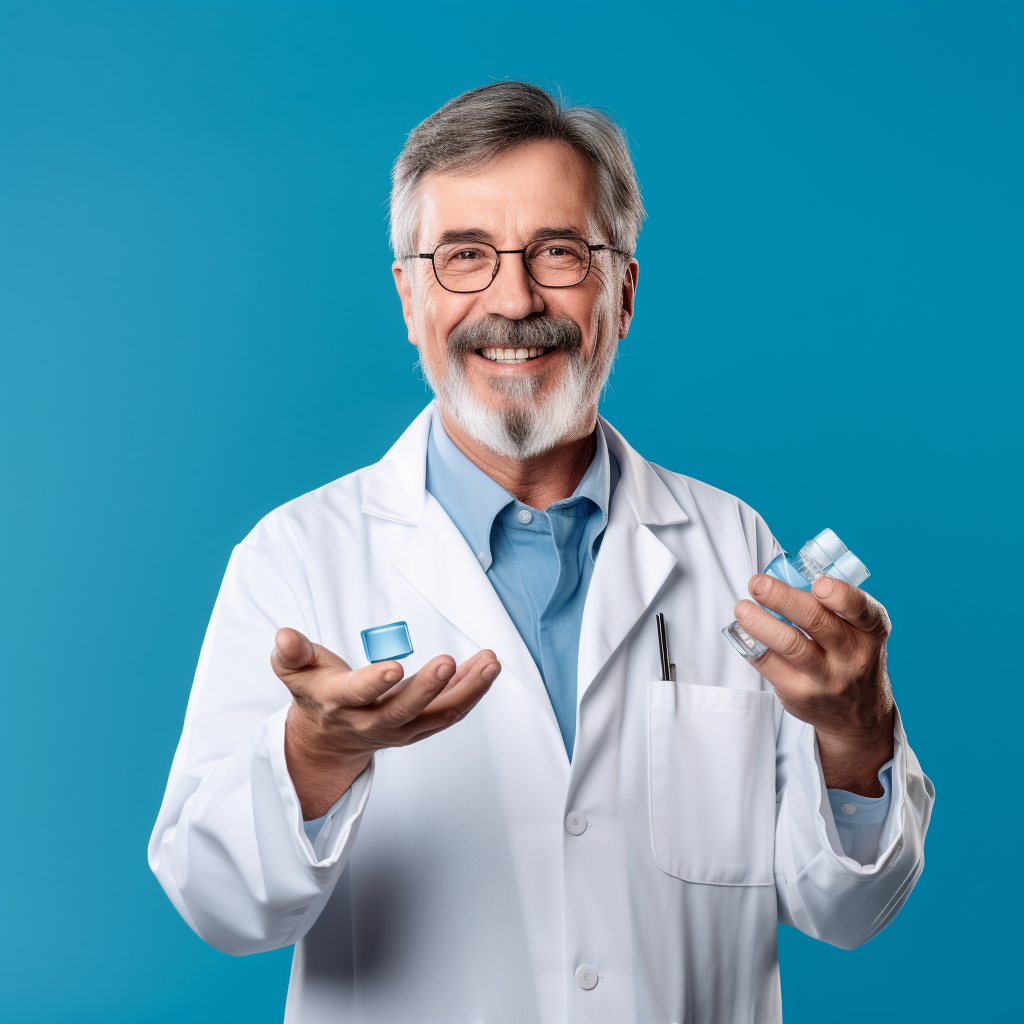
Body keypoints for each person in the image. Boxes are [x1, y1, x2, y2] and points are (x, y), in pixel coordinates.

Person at [149, 82, 934, 1024]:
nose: (513, 299)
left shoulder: (734, 549)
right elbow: (220, 907)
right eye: (464, 257)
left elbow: (846, 909)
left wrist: (856, 736)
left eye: (559, 253)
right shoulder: (297, 557)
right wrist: (315, 756)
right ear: (408, 295)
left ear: (624, 292)